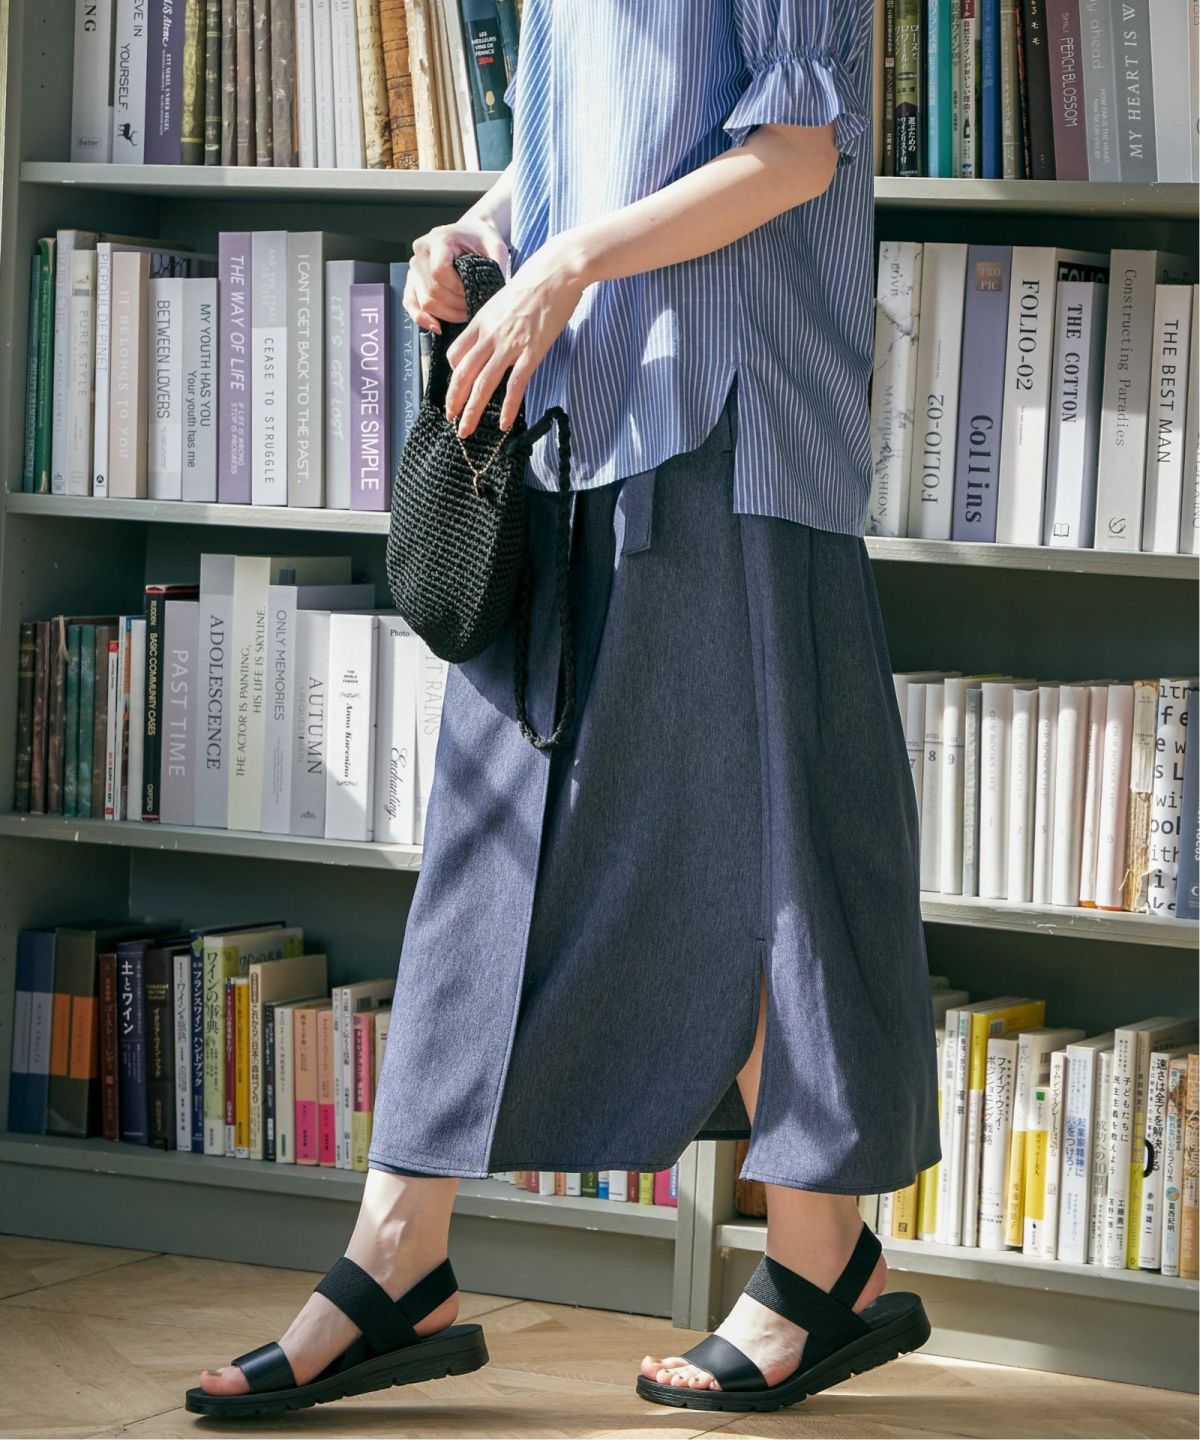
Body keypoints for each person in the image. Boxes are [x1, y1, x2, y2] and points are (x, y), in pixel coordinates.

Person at [188, 0, 942, 1418]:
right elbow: (581, 149)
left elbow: (795, 153)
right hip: (571, 417)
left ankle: (816, 1255)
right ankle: (399, 1252)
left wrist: (567, 265)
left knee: (769, 856)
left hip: (733, 430)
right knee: (488, 851)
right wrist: (483, 235)